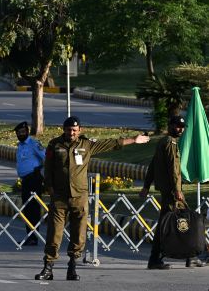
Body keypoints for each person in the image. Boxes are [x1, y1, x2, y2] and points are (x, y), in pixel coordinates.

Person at [36, 116, 150, 281]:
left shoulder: (86, 144)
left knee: (79, 234)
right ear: (63, 129)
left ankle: (72, 267)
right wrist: (50, 188)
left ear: (80, 130)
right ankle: (48, 268)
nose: (71, 133)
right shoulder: (55, 144)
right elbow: (48, 167)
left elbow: (111, 143)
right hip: (59, 197)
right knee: (54, 233)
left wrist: (133, 139)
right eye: (68, 130)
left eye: (74, 130)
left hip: (79, 197)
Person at [140, 115, 204, 269]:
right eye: (177, 126)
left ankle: (179, 257)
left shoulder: (163, 142)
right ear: (170, 126)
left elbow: (153, 165)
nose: (180, 129)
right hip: (172, 192)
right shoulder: (170, 143)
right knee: (185, 221)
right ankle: (164, 258)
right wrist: (177, 190)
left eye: (182, 127)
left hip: (168, 191)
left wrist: (146, 186)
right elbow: (173, 169)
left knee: (169, 222)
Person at [14, 121, 45, 246]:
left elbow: (46, 156)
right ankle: (30, 236)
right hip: (26, 181)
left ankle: (34, 236)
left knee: (33, 209)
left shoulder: (33, 144)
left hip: (34, 179)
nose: (21, 134)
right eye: (18, 133)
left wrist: (41, 171)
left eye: (23, 132)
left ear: (27, 131)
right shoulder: (20, 146)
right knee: (26, 209)